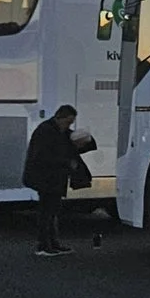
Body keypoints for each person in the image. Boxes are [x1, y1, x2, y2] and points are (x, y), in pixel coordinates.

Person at [22, 105, 86, 257]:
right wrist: (66, 162)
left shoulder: (52, 130)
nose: (69, 126)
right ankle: (44, 244)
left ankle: (51, 243)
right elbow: (43, 156)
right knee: (47, 212)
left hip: (50, 178)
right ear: (61, 118)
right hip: (46, 177)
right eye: (68, 122)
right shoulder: (46, 131)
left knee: (51, 211)